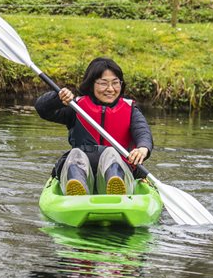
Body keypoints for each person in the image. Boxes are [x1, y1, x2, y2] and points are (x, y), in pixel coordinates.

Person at [35, 57, 153, 195]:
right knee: (75, 154)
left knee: (110, 153)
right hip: (83, 172)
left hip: (120, 170)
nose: (110, 89)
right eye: (103, 83)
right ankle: (78, 190)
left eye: (115, 83)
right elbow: (42, 109)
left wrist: (143, 149)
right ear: (91, 84)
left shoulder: (130, 109)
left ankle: (115, 186)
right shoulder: (76, 107)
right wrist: (57, 98)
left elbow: (143, 131)